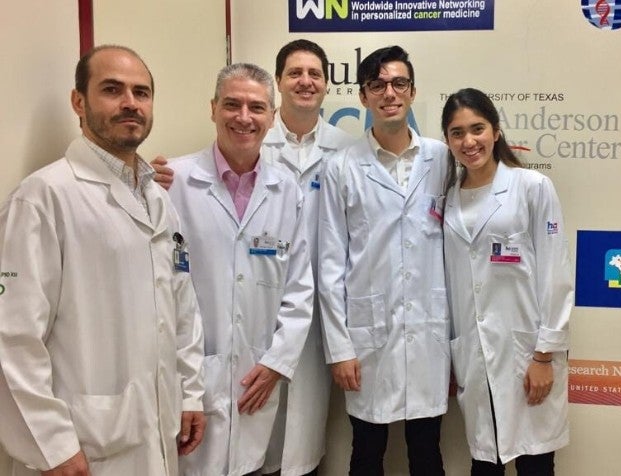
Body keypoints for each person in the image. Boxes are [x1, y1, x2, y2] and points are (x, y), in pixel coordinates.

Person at [0, 45, 205, 476]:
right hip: (81, 447)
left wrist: (189, 394)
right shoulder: (42, 198)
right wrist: (52, 445)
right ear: (79, 102)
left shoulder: (157, 200)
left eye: (141, 92)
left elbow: (181, 308)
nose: (130, 103)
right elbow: (12, 337)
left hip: (156, 430)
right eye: (112, 90)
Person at [165, 63, 314, 476]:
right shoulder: (173, 182)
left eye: (256, 107)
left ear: (271, 116)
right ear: (213, 109)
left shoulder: (286, 191)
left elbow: (300, 290)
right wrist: (185, 380)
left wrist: (276, 363)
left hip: (256, 376)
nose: (244, 118)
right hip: (189, 378)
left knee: (251, 467)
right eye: (232, 105)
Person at [318, 45, 450, 475]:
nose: (388, 92)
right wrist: (339, 348)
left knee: (428, 450)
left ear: (413, 91)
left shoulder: (443, 158)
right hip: (367, 336)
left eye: (398, 83)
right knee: (367, 449)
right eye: (377, 84)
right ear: (363, 96)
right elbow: (330, 261)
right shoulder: (342, 167)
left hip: (429, 331)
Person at [440, 88, 574, 475]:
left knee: (535, 464)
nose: (469, 141)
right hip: (475, 356)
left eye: (477, 128)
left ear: (496, 131)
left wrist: (544, 355)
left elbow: (555, 275)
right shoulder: (448, 198)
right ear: (448, 141)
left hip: (526, 354)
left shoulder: (531, 187)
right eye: (457, 133)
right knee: (484, 464)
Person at [260, 39, 355, 476]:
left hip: (319, 313)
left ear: (327, 84)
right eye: (295, 73)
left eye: (314, 73)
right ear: (279, 81)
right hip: (258, 303)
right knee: (255, 433)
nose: (305, 81)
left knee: (303, 437)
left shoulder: (346, 149)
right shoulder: (250, 137)